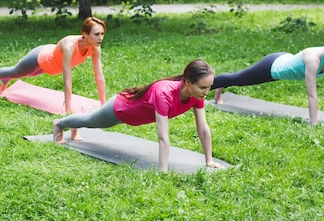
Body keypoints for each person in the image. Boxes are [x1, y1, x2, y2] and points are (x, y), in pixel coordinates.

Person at [53, 59, 223, 172]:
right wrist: (163, 171)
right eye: (203, 88)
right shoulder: (164, 93)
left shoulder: (195, 95)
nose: (206, 92)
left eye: (209, 87)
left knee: (89, 120)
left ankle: (75, 126)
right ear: (188, 82)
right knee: (91, 121)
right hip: (120, 109)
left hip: (133, 116)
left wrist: (209, 160)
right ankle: (59, 124)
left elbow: (203, 129)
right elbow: (163, 137)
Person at [212, 31, 324, 125]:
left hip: (284, 59)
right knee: (238, 79)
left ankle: (221, 87)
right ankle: (209, 85)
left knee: (238, 78)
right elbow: (312, 95)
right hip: (272, 67)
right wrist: (314, 124)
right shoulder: (314, 59)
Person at [0, 17, 107, 115]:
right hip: (40, 58)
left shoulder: (95, 48)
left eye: (102, 34)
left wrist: (103, 104)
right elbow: (67, 80)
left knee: (29, 74)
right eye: (96, 34)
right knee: (17, 72)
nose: (100, 38)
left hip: (51, 66)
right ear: (85, 34)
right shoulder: (69, 46)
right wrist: (68, 111)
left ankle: (6, 80)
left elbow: (99, 77)